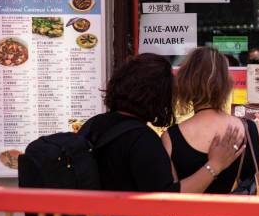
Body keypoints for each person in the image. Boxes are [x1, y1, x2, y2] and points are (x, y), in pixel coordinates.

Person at [84, 53, 243, 194]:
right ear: (158, 96)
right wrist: (214, 165)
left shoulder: (94, 124)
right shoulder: (142, 140)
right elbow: (167, 199)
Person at [162, 47, 259, 194]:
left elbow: (170, 198)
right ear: (226, 85)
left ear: (185, 83)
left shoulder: (171, 137)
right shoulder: (251, 129)